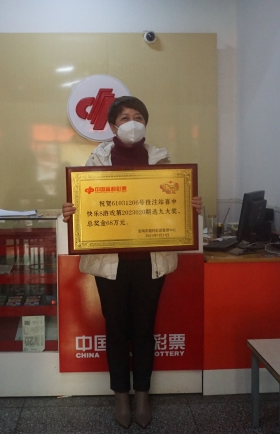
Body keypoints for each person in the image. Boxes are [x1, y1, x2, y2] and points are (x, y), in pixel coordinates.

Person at [62, 96, 202, 429]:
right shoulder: (96, 160)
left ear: (146, 123)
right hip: (109, 263)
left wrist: (190, 205)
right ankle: (120, 396)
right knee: (115, 330)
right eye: (124, 118)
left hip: (150, 262)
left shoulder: (161, 159)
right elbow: (86, 208)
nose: (132, 123)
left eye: (138, 116)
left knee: (143, 330)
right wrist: (71, 212)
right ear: (112, 126)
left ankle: (142, 395)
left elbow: (173, 207)